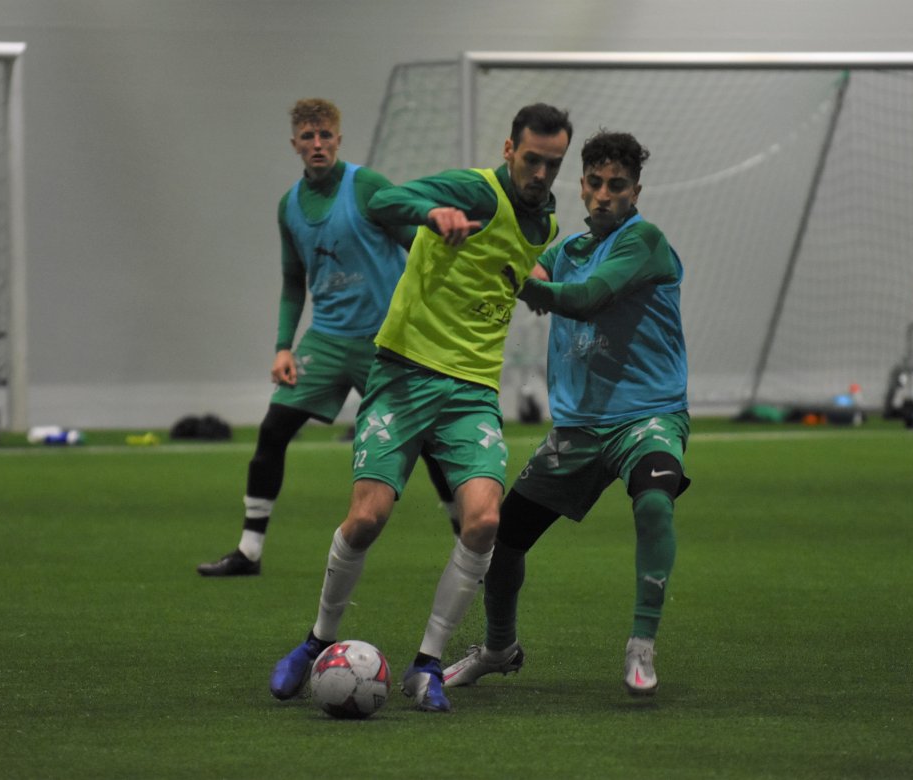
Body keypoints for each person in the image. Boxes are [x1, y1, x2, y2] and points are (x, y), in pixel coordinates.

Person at [268, 103, 573, 712]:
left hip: (472, 392)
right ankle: (316, 641)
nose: (541, 173)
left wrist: (537, 288)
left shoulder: (546, 224)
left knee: (483, 522)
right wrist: (430, 213)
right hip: (404, 375)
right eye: (531, 159)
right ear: (509, 150)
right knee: (367, 518)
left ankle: (427, 665)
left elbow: (512, 272)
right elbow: (382, 203)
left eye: (553, 163)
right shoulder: (474, 190)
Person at [442, 129, 689, 698]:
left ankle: (641, 643)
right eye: (595, 183)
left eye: (617, 186)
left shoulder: (644, 240)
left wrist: (524, 284)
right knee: (503, 540)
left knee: (655, 502)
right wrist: (485, 253)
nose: (604, 195)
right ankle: (499, 648)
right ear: (580, 185)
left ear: (635, 192)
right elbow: (530, 274)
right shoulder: (567, 249)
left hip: (647, 417)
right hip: (578, 429)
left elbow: (588, 297)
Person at [197, 98, 454, 578]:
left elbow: (418, 245)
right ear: (294, 144)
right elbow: (293, 281)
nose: (317, 144)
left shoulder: (367, 186)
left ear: (339, 139)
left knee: (429, 441)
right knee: (273, 430)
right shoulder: (289, 207)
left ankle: (473, 547)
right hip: (327, 341)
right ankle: (248, 552)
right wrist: (283, 346)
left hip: (386, 341)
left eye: (325, 135)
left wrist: (431, 308)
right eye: (308, 137)